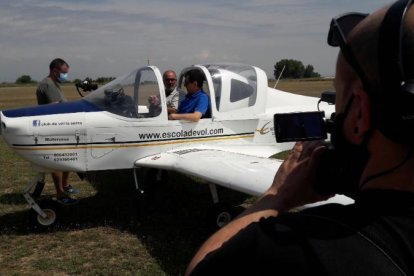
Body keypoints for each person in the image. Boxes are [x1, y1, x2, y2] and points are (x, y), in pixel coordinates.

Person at [186, 1, 414, 275]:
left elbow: (201, 269)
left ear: (360, 115)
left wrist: (275, 197)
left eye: (338, 96)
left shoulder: (297, 250)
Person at [36, 58, 78, 204]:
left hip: (59, 127)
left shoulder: (54, 83)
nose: (65, 76)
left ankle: (65, 186)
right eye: (64, 73)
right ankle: (60, 193)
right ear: (55, 71)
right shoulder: (48, 85)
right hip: (54, 129)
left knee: (67, 157)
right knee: (58, 161)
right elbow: (56, 107)